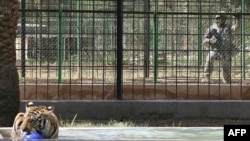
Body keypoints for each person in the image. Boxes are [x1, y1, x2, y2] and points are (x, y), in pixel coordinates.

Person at [203, 11, 241, 83]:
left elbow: (236, 29)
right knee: (209, 59)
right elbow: (204, 40)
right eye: (219, 18)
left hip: (225, 50)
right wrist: (210, 40)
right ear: (217, 19)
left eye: (223, 18)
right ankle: (207, 78)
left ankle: (226, 81)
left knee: (226, 65)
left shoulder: (228, 27)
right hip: (215, 49)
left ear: (225, 19)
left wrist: (237, 19)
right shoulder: (212, 28)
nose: (221, 20)